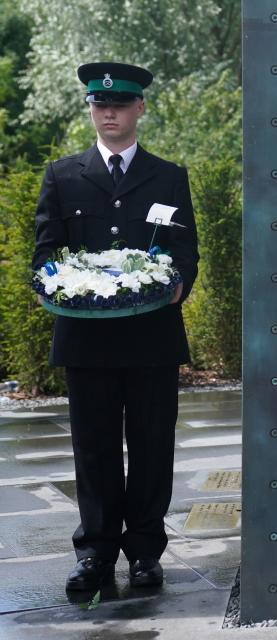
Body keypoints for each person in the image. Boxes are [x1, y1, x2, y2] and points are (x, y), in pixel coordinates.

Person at [31, 62, 199, 591]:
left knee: (152, 445)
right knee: (95, 448)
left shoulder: (169, 175)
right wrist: (54, 284)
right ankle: (95, 554)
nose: (109, 112)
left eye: (121, 104)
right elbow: (46, 251)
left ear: (139, 109)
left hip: (150, 338)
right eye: (100, 105)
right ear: (90, 109)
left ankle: (146, 552)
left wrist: (177, 282)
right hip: (87, 339)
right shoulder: (62, 175)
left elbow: (185, 251)